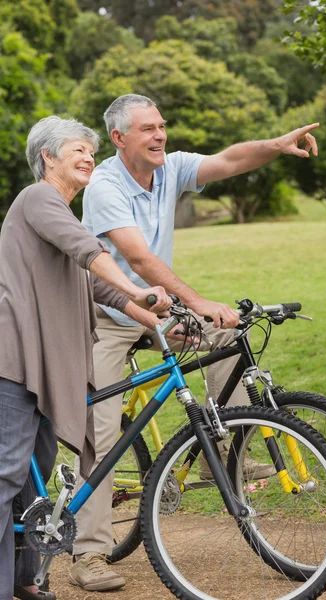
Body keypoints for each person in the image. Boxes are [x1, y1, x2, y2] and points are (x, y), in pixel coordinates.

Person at [70, 94, 319, 592]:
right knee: (100, 434)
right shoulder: (103, 186)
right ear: (119, 139)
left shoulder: (171, 168)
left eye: (161, 126)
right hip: (108, 314)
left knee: (228, 332)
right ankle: (89, 554)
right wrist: (197, 300)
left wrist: (276, 144)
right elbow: (137, 260)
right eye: (147, 129)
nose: (160, 135)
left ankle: (220, 451)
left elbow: (229, 160)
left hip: (157, 307)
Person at [0, 115, 172, 600]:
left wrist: (150, 315)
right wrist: (137, 286)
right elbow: (88, 253)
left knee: (33, 484)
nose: (87, 157)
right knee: (7, 475)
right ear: (47, 157)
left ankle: (25, 580)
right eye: (76, 149)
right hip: (16, 360)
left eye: (90, 152)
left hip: (46, 366)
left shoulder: (60, 212)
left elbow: (91, 282)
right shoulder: (38, 198)